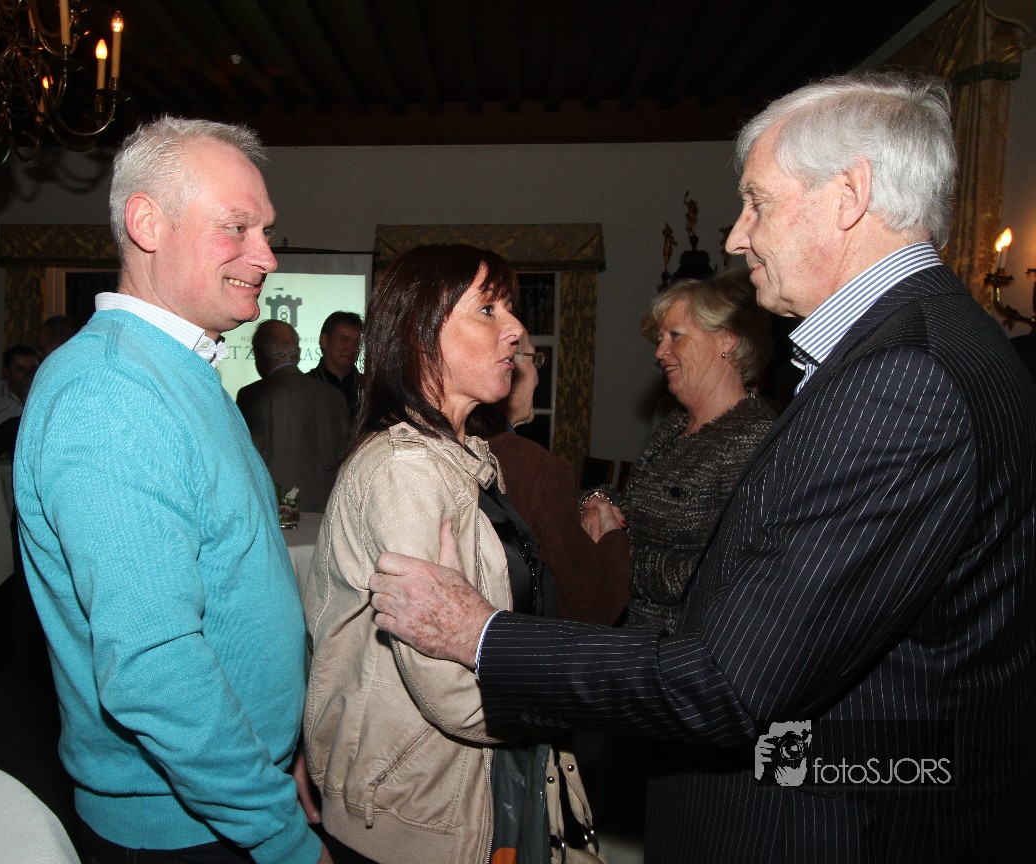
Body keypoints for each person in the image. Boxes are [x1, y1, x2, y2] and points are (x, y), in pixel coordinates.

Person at [367, 72, 1036, 861]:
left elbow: (728, 682)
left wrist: (481, 634)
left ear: (849, 196)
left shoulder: (902, 375)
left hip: (827, 826)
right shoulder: (945, 341)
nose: (738, 237)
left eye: (758, 203)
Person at [14, 117, 329, 864]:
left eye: (265, 231)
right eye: (237, 228)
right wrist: (277, 832)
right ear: (147, 223)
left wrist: (276, 755)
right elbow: (154, 670)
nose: (266, 255)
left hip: (225, 795)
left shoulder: (176, 369)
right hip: (184, 827)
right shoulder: (111, 392)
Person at [301, 244, 589, 864]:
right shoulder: (405, 471)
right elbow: (451, 690)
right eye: (488, 310)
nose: (515, 329)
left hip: (468, 789)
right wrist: (586, 695)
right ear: (420, 334)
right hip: (415, 812)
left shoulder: (466, 458)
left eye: (510, 309)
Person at [585, 271, 775, 631]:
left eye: (676, 335)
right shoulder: (674, 424)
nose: (660, 352)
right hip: (631, 637)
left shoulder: (752, 438)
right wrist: (597, 501)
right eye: (660, 338)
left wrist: (616, 554)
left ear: (728, 339)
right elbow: (634, 506)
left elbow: (723, 572)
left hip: (682, 649)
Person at [469, 326, 629, 626]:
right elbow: (592, 602)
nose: (538, 376)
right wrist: (612, 534)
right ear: (508, 367)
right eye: (534, 360)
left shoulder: (456, 445)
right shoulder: (533, 466)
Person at [236, 319, 349, 512]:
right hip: (328, 513)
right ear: (297, 354)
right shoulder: (334, 396)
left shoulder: (253, 395)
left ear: (260, 355)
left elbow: (244, 463)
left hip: (279, 514)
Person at [307, 311, 363, 417]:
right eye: (344, 339)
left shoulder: (368, 388)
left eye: (357, 342)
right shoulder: (305, 386)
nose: (351, 348)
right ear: (324, 341)